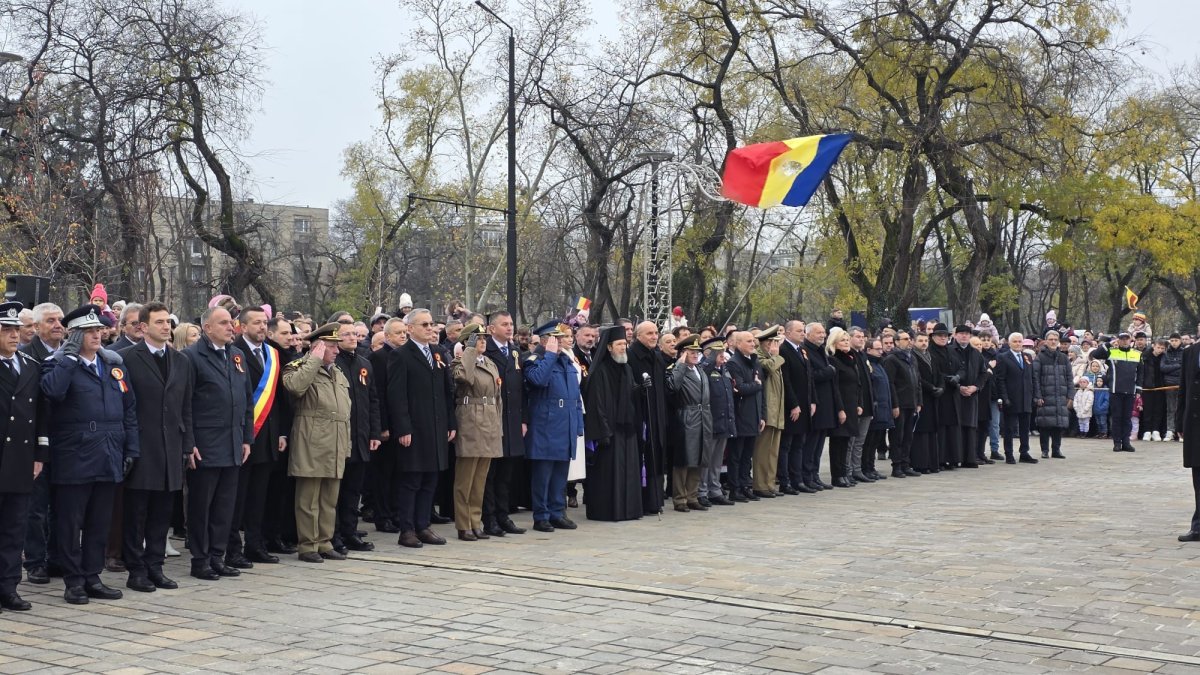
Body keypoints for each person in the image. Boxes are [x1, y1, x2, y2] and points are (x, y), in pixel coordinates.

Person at [41, 304, 139, 605]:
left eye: (99, 329)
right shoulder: (56, 363)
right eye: (89, 330)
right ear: (74, 335)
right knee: (70, 523)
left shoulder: (112, 363)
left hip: (109, 450)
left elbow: (129, 410)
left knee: (99, 521)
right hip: (74, 453)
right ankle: (73, 581)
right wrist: (69, 358)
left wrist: (131, 447)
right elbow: (52, 392)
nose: (98, 334)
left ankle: (92, 575)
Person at [118, 301, 192, 594]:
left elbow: (186, 408)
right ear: (143, 327)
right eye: (159, 322)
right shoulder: (125, 358)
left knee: (162, 512)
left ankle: (155, 566)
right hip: (141, 446)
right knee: (136, 513)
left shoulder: (180, 361)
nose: (166, 327)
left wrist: (188, 445)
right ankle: (136, 570)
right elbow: (123, 406)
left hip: (170, 446)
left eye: (168, 322)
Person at [182, 307, 254, 581]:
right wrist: (190, 443)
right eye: (223, 323)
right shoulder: (191, 357)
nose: (230, 327)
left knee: (225, 506)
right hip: (206, 444)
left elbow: (246, 401)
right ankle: (200, 560)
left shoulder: (236, 355)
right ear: (207, 328)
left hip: (233, 442)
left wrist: (247, 437)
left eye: (231, 323)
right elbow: (185, 404)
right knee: (202, 506)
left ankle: (217, 556)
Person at [224, 306, 291, 568]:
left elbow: (280, 399)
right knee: (238, 497)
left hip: (269, 436)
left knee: (258, 497)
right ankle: (232, 548)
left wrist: (282, 431)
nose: (262, 327)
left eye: (264, 323)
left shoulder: (272, 354)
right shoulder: (234, 352)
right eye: (256, 323)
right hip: (244, 436)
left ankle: (255, 544)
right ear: (242, 326)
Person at [386, 309, 456, 548]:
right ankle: (407, 530)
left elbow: (447, 391)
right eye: (424, 324)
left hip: (436, 427)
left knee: (430, 479)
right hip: (415, 428)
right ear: (410, 329)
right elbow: (396, 396)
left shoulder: (437, 353)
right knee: (412, 480)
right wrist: (403, 428)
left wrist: (450, 423)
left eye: (432, 324)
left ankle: (423, 525)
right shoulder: (401, 355)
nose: (430, 328)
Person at [281, 325, 351, 562]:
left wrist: (346, 445)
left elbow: (345, 414)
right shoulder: (298, 367)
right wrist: (313, 359)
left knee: (329, 499)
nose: (336, 351)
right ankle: (307, 545)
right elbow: (295, 386)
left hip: (335, 442)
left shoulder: (338, 373)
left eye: (335, 347)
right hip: (311, 442)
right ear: (316, 347)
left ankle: (324, 541)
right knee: (308, 500)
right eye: (330, 347)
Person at [0, 302, 48, 612]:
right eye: (6, 330)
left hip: (20, 458)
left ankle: (8, 587)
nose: (14, 335)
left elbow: (41, 415)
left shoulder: (30, 364)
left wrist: (39, 454)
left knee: (14, 527)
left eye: (16, 329)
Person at [522, 322, 583, 532]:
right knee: (543, 475)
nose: (562, 341)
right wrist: (549, 355)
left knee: (560, 474)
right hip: (545, 426)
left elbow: (575, 398)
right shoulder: (534, 360)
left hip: (565, 424)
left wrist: (578, 425)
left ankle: (558, 512)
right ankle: (541, 515)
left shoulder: (566, 361)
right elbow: (538, 380)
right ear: (546, 339)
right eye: (557, 338)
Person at [20, 302, 64, 586]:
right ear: (36, 328)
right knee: (36, 507)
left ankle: (57, 558)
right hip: (36, 442)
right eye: (51, 321)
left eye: (60, 320)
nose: (58, 325)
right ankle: (35, 561)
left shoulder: (71, 354)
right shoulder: (26, 357)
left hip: (67, 442)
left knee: (62, 506)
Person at [331, 321, 382, 554]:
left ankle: (350, 532)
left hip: (361, 435)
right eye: (346, 334)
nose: (353, 338)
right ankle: (334, 534)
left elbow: (372, 401)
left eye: (354, 334)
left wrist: (374, 432)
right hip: (341, 436)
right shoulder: (333, 363)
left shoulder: (364, 363)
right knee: (337, 491)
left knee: (354, 490)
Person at [449, 323, 504, 540]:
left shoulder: (490, 363)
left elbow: (498, 396)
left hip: (489, 420)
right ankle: (464, 524)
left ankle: (475, 520)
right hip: (470, 419)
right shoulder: (459, 363)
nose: (482, 341)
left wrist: (498, 425)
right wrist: (469, 352)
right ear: (466, 342)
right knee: (466, 478)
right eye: (476, 338)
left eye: (483, 338)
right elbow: (465, 378)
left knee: (481, 478)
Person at [582, 326, 642, 521]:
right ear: (608, 347)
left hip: (627, 430)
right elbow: (596, 404)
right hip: (608, 432)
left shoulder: (627, 368)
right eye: (619, 344)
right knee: (609, 475)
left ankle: (629, 510)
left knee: (628, 471)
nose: (623, 348)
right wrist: (604, 431)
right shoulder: (599, 372)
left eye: (625, 344)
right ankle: (608, 511)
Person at [481, 311, 525, 537]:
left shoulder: (515, 351)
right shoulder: (485, 351)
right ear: (492, 329)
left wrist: (523, 419)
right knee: (492, 472)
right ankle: (489, 519)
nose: (509, 328)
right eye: (504, 324)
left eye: (511, 324)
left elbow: (521, 389)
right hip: (493, 419)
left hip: (512, 419)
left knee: (507, 472)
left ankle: (503, 515)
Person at [368, 317, 407, 534]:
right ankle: (382, 516)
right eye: (398, 332)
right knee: (383, 474)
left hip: (401, 424)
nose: (403, 335)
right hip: (386, 426)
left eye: (405, 332)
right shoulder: (378, 358)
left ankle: (395, 513)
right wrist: (382, 425)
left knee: (398, 473)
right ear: (387, 336)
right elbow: (379, 394)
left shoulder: (403, 355)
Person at [666, 335, 712, 512]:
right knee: (684, 459)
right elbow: (673, 387)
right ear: (683, 353)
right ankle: (680, 499)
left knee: (699, 458)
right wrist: (681, 365)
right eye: (691, 352)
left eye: (697, 352)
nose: (696, 355)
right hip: (687, 415)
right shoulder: (677, 369)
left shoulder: (699, 370)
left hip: (703, 417)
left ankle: (692, 496)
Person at [627, 321, 668, 514]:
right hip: (640, 415)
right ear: (638, 336)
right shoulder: (631, 356)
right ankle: (643, 501)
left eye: (656, 332)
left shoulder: (657, 357)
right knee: (644, 456)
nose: (654, 336)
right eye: (649, 333)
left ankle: (655, 500)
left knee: (657, 455)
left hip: (657, 414)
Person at [724, 331, 764, 500]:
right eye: (748, 341)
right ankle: (735, 488)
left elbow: (760, 392)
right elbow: (740, 388)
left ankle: (745, 484)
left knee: (747, 455)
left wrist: (762, 415)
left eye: (753, 341)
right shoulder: (734, 363)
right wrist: (756, 385)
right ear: (738, 344)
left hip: (753, 414)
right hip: (740, 415)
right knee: (736, 455)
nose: (753, 344)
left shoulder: (754, 361)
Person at [778, 320, 815, 494]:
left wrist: (812, 400)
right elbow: (786, 381)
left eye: (803, 330)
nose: (803, 333)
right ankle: (785, 481)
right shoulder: (784, 350)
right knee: (787, 445)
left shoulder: (802, 350)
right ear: (788, 332)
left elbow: (809, 378)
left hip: (805, 404)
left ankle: (797, 479)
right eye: (799, 330)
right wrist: (793, 404)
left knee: (799, 444)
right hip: (792, 407)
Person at [803, 323, 839, 491]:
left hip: (826, 403)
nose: (822, 335)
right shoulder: (806, 351)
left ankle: (815, 474)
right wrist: (829, 371)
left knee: (819, 444)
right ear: (808, 334)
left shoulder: (820, 350)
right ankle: (807, 475)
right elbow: (810, 376)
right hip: (815, 403)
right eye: (818, 332)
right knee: (811, 443)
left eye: (823, 332)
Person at [1091, 332, 1141, 452]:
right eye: (1122, 339)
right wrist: (1108, 344)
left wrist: (1139, 389)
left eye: (1126, 339)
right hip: (1115, 390)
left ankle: (1126, 442)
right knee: (1117, 417)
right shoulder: (1112, 351)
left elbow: (1140, 373)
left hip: (1130, 390)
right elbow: (1095, 354)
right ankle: (1117, 442)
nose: (1124, 341)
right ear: (1118, 340)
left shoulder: (1137, 354)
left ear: (1131, 340)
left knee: (1127, 418)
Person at [993, 332, 1037, 464]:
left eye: (1020, 341)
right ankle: (1009, 453)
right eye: (1015, 342)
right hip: (1012, 398)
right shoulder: (1003, 357)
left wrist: (1036, 394)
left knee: (1025, 427)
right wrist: (1004, 397)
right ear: (1009, 343)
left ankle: (1024, 452)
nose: (1018, 344)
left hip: (1026, 397)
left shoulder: (1027, 356)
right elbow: (1000, 380)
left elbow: (1032, 378)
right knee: (1010, 428)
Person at [701, 337, 735, 507]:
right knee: (706, 460)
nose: (722, 356)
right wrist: (711, 359)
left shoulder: (723, 369)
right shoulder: (704, 368)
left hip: (724, 421)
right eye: (718, 353)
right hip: (711, 421)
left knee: (717, 460)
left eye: (722, 352)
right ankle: (702, 490)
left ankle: (715, 490)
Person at [883, 331, 921, 478]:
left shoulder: (912, 358)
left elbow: (917, 381)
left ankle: (906, 463)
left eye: (910, 339)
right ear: (897, 342)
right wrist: (894, 405)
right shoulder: (892, 359)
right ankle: (897, 465)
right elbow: (890, 384)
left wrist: (919, 401)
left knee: (908, 436)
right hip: (900, 403)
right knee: (897, 436)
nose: (909, 341)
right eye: (905, 339)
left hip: (911, 402)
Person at [1174, 334, 1200, 542]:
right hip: (1194, 421)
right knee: (1198, 476)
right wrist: (1179, 420)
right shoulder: (1190, 352)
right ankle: (1198, 526)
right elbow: (1183, 387)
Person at [827, 328, 859, 488]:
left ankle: (844, 473)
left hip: (852, 404)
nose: (846, 343)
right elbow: (835, 387)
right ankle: (837, 475)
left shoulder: (851, 359)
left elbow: (856, 383)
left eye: (847, 340)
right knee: (838, 441)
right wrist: (840, 409)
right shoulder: (833, 360)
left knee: (847, 441)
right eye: (842, 340)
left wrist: (858, 404)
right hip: (841, 405)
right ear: (834, 343)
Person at [863, 338, 896, 481]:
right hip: (875, 408)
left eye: (880, 349)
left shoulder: (879, 364)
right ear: (869, 350)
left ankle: (871, 467)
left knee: (875, 440)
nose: (880, 351)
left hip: (883, 408)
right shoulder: (868, 364)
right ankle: (865, 467)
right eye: (877, 349)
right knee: (869, 441)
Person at [911, 333, 942, 473]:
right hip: (922, 396)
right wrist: (931, 387)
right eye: (920, 340)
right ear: (914, 342)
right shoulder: (913, 357)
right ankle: (921, 464)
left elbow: (940, 374)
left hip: (933, 398)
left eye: (925, 340)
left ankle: (933, 463)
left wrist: (941, 387)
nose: (923, 343)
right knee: (921, 431)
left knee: (932, 431)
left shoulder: (932, 356)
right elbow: (917, 377)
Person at [1164, 333, 1184, 441]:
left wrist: (1172, 368)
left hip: (1182, 383)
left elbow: (1185, 368)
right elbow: (1163, 368)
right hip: (1169, 384)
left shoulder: (1185, 352)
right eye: (1172, 341)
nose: (1174, 343)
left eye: (1176, 340)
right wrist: (1177, 366)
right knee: (1170, 408)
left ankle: (1180, 431)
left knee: (1182, 408)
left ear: (1180, 341)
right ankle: (1170, 431)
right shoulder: (1166, 353)